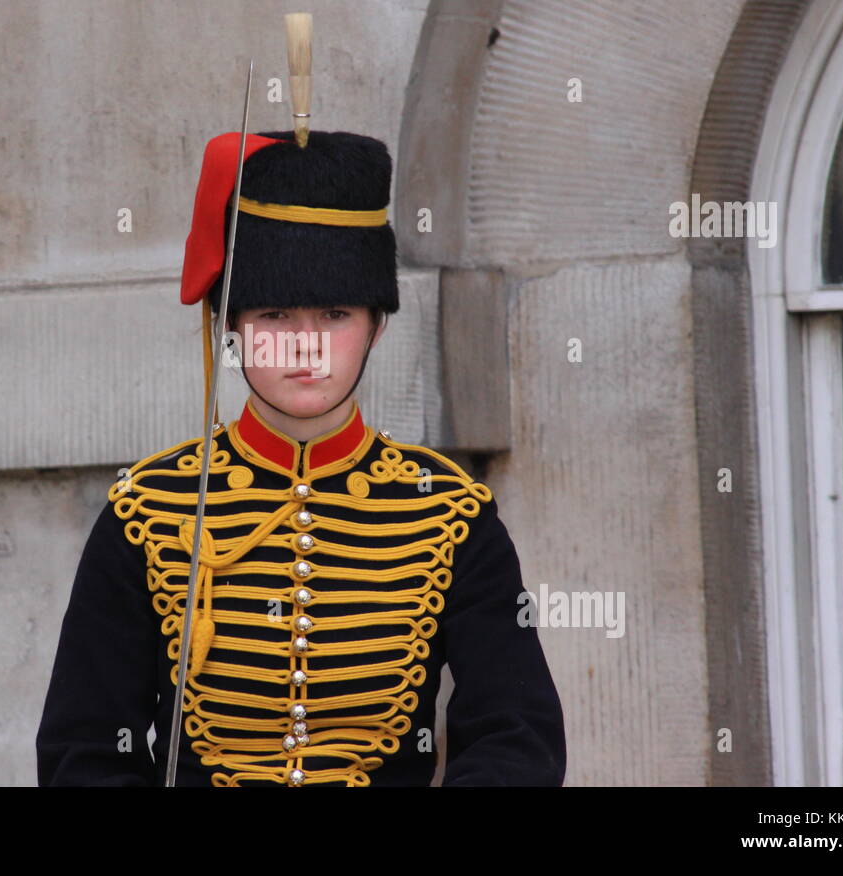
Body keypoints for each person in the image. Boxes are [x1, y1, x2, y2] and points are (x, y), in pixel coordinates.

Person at [36, 129, 566, 786]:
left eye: (336, 314)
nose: (305, 346)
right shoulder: (146, 509)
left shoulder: (449, 511)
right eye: (276, 314)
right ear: (229, 329)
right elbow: (83, 748)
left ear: (378, 325)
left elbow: (518, 737)